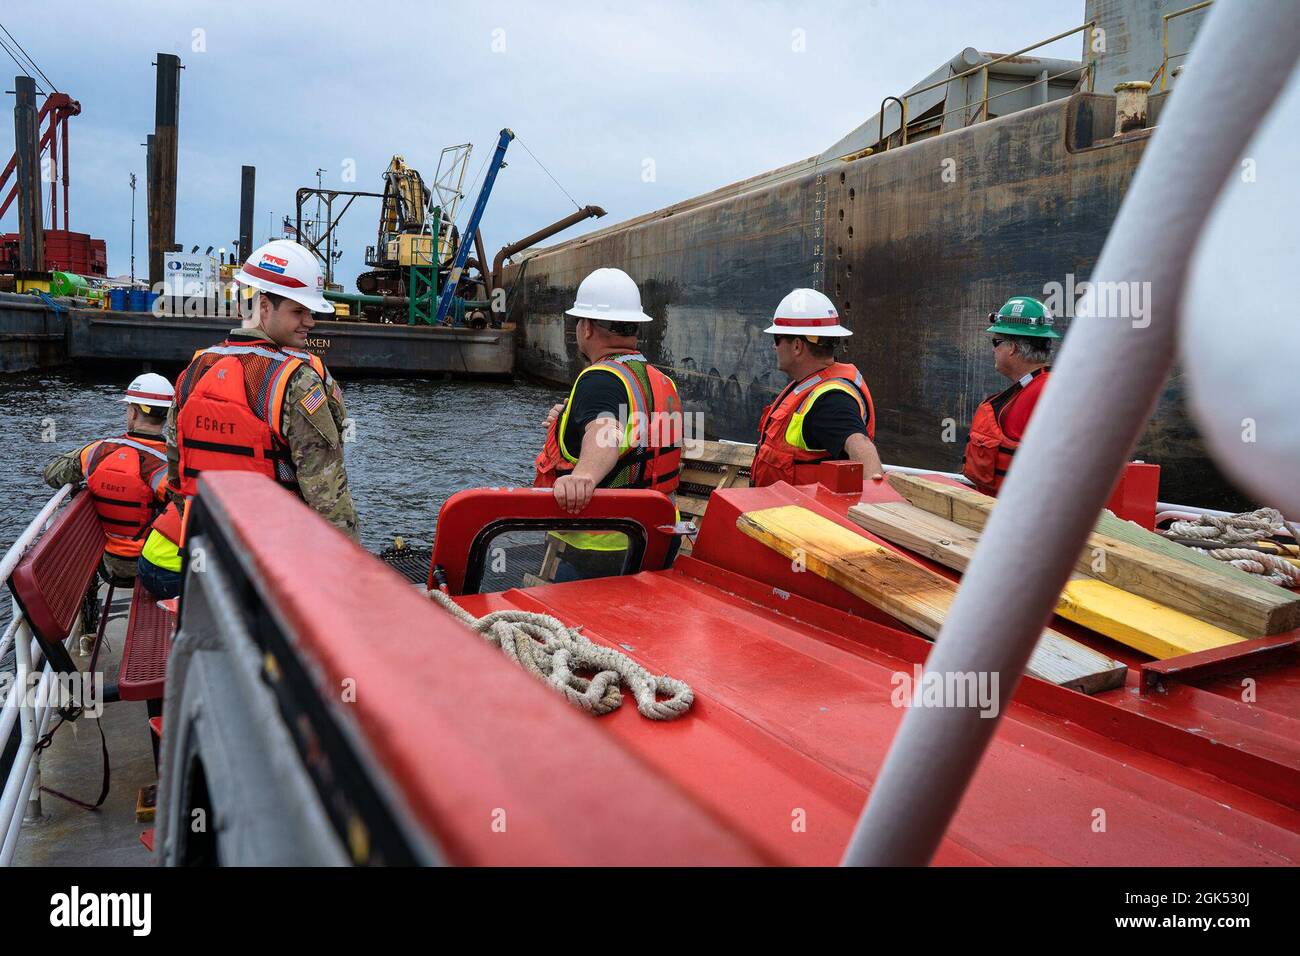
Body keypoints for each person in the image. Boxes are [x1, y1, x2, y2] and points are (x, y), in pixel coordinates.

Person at [165, 238, 360, 541]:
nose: (310, 322)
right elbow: (328, 497)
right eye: (299, 311)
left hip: (206, 552)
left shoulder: (194, 371)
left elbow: (177, 474)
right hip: (275, 559)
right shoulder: (297, 381)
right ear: (265, 307)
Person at [534, 267, 682, 581]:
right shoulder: (661, 381)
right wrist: (566, 417)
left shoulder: (598, 377)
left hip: (602, 548)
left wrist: (583, 478)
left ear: (586, 327)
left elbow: (607, 432)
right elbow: (631, 431)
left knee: (571, 628)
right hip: (659, 538)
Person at [43, 373, 174, 581]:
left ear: (132, 412)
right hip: (152, 565)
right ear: (168, 416)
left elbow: (52, 474)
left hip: (111, 566)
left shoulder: (97, 451)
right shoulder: (173, 463)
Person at [750, 288, 882, 487]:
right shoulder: (811, 385)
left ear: (797, 346)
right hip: (778, 512)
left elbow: (859, 444)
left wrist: (876, 494)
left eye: (776, 339)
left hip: (802, 515)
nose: (774, 347)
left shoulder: (830, 400)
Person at [961, 295, 1063, 495]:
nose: (993, 349)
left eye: (996, 341)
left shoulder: (1045, 394)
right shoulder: (1043, 388)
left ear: (1012, 348)